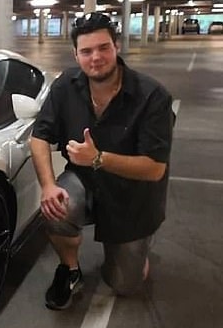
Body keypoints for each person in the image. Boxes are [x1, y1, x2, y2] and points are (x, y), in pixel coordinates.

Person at [30, 12, 175, 310]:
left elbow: (154, 168)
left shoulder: (152, 96)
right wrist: (47, 185)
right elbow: (39, 136)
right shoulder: (65, 86)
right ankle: (69, 270)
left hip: (132, 195)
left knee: (125, 285)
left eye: (103, 47)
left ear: (116, 46)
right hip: (84, 180)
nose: (95, 57)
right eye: (86, 51)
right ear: (76, 54)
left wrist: (97, 158)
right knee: (58, 206)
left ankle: (136, 252)